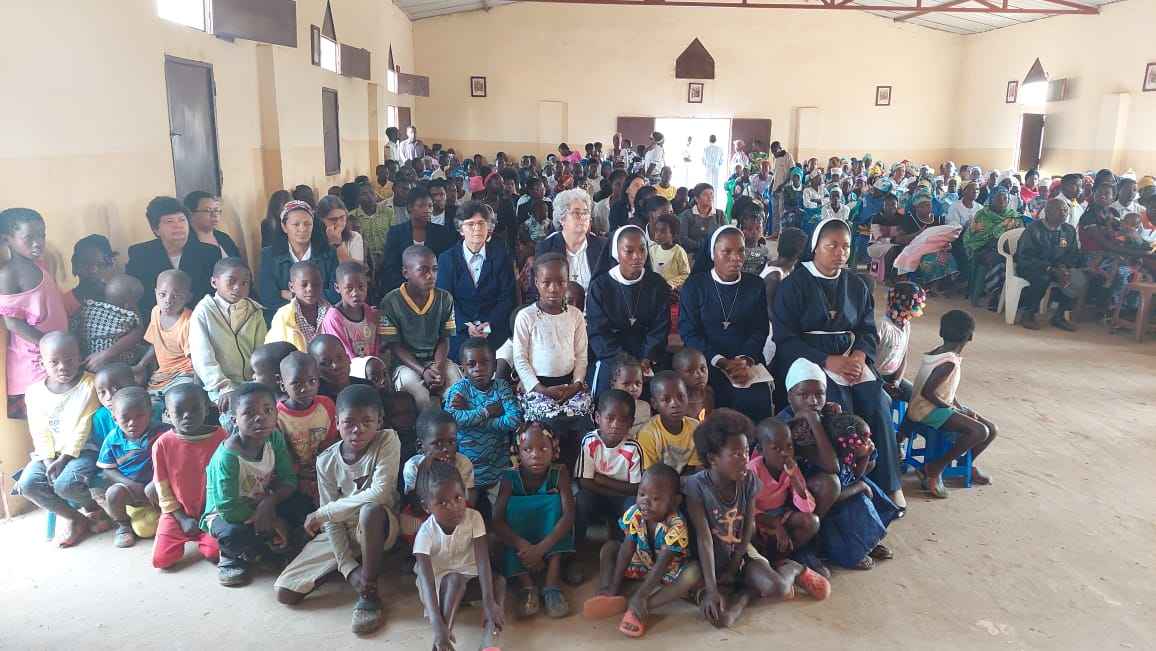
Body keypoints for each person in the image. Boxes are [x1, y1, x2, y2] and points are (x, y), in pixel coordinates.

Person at [772, 218, 903, 507]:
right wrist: (826, 361)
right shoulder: (793, 285)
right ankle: (848, 483)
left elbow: (867, 330)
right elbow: (784, 338)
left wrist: (859, 356)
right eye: (831, 246)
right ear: (815, 247)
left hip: (849, 355)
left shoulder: (856, 284)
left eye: (845, 246)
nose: (840, 253)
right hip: (807, 357)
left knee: (877, 400)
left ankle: (889, 483)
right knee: (838, 405)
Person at [275, 384, 401, 635]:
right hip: (342, 529)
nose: (357, 429)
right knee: (285, 592)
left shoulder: (387, 440)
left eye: (367, 421)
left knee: (370, 511)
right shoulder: (326, 461)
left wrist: (322, 513)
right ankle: (356, 569)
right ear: (337, 422)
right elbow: (332, 523)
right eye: (349, 422)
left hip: (380, 526)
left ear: (379, 421)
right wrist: (347, 568)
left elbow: (379, 493)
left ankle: (369, 593)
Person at [683, 409, 823, 629]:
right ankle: (747, 592)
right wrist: (711, 589)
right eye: (736, 454)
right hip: (708, 558)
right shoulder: (696, 486)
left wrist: (734, 566)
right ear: (712, 459)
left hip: (741, 552)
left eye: (747, 452)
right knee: (721, 619)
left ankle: (792, 568)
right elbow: (704, 539)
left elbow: (748, 526)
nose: (745, 460)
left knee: (779, 589)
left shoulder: (748, 480)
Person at [582, 463, 700, 638]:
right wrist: (615, 584)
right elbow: (627, 548)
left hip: (668, 571)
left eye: (656, 498)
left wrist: (641, 595)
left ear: (675, 501)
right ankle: (608, 592)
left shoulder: (676, 524)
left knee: (693, 572)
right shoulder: (636, 513)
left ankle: (641, 606)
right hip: (641, 563)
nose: (645, 501)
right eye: (642, 494)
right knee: (609, 548)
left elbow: (663, 564)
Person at [202, 382, 298, 586]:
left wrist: (269, 502)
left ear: (276, 414)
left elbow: (289, 479)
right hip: (226, 514)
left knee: (302, 506)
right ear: (234, 420)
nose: (260, 418)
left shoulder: (274, 438)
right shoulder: (228, 457)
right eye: (249, 413)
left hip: (260, 501)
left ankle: (261, 549)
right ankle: (231, 556)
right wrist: (271, 520)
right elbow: (228, 509)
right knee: (233, 534)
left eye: (267, 410)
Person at [14, 332, 103, 547]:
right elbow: (38, 429)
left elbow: (84, 425)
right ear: (42, 363)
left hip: (83, 451)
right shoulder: (34, 392)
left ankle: (94, 508)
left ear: (79, 358)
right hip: (48, 454)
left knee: (65, 484)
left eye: (69, 360)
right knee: (27, 484)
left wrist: (64, 459)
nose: (63, 367)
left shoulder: (90, 385)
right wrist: (47, 460)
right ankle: (77, 519)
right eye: (54, 362)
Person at [680, 226, 773, 423]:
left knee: (757, 397)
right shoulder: (694, 286)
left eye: (741, 251)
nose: (736, 258)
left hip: (746, 361)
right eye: (727, 251)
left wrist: (744, 360)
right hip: (706, 362)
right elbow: (689, 333)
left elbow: (760, 329)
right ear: (713, 254)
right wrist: (721, 361)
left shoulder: (755, 285)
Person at [412, 459, 505, 651]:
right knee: (455, 579)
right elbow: (427, 584)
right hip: (439, 591)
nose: (453, 507)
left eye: (458, 498)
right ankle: (443, 640)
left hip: (467, 583)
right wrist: (436, 623)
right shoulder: (425, 534)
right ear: (426, 507)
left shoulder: (474, 518)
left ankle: (491, 635)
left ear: (465, 493)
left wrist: (489, 602)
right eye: (442, 503)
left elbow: (483, 562)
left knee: (499, 583)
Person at [908, 309, 999, 498]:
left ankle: (967, 463)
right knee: (980, 431)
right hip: (926, 410)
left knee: (991, 429)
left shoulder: (941, 353)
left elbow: (945, 390)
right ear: (970, 337)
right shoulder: (948, 362)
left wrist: (960, 408)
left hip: (933, 405)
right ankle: (934, 469)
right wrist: (951, 409)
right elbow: (928, 392)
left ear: (941, 332)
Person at [492, 422, 577, 619]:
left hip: (548, 540)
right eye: (527, 449)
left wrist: (541, 549)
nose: (535, 455)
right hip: (522, 544)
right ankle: (527, 586)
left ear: (554, 450)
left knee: (555, 505)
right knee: (512, 510)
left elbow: (569, 515)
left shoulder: (559, 472)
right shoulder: (509, 477)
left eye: (543, 448)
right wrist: (522, 545)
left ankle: (551, 585)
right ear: (517, 452)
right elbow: (497, 520)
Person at [513, 254, 592, 457]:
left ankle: (578, 466)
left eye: (560, 282)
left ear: (567, 281)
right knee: (547, 422)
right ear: (536, 283)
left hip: (570, 386)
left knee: (583, 420)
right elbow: (520, 359)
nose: (553, 288)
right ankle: (549, 467)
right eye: (546, 282)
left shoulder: (575, 316)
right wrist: (540, 388)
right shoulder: (526, 316)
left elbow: (581, 355)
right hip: (538, 387)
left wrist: (576, 384)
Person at [586, 225, 671, 396]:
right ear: (616, 253)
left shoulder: (657, 284)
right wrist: (625, 363)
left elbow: (660, 327)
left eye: (642, 249)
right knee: (606, 397)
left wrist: (646, 358)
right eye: (629, 251)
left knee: (663, 392)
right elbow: (598, 332)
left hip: (648, 353)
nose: (637, 256)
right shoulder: (600, 286)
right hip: (612, 355)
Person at [151, 383, 227, 570]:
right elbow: (162, 487)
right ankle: (187, 531)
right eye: (179, 411)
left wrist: (213, 513)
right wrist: (181, 518)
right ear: (167, 414)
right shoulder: (162, 444)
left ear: (207, 409)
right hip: (177, 512)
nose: (187, 416)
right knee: (162, 560)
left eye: (195, 409)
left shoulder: (222, 438)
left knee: (215, 554)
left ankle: (202, 536)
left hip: (213, 511)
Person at [443, 338, 522, 518]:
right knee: (465, 516)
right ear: (463, 369)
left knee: (502, 516)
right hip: (466, 473)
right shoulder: (459, 390)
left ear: (494, 366)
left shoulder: (501, 388)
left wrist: (472, 415)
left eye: (485, 363)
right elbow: (452, 419)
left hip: (498, 469)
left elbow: (513, 420)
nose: (478, 368)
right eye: (471, 364)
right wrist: (487, 411)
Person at [378, 245, 461, 408]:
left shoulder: (445, 298)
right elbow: (394, 346)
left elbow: (444, 339)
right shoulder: (390, 302)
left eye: (435, 269)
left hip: (436, 361)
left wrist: (438, 368)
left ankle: (457, 425)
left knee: (457, 392)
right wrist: (422, 371)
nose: (431, 275)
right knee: (420, 398)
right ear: (406, 273)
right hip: (405, 365)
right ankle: (425, 425)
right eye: (423, 270)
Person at [816, 413, 899, 569]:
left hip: (848, 491)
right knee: (859, 504)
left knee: (875, 495)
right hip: (834, 509)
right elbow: (834, 496)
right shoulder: (830, 465)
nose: (869, 442)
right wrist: (860, 486)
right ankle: (853, 553)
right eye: (864, 439)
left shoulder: (848, 454)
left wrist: (866, 456)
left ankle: (869, 543)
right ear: (849, 444)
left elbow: (856, 475)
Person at [190, 258, 267, 423]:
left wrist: (260, 378)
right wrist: (223, 387)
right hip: (219, 386)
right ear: (214, 282)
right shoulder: (203, 312)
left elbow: (261, 350)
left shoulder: (255, 311)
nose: (238, 287)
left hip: (252, 382)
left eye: (245, 283)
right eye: (231, 281)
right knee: (236, 419)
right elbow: (202, 357)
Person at [437, 201, 517, 360]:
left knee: (500, 361)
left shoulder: (501, 256)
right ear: (460, 229)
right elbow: (445, 300)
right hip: (459, 331)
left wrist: (488, 325)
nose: (477, 229)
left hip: (494, 329)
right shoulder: (447, 259)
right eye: (470, 224)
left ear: (489, 228)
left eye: (481, 223)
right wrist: (467, 325)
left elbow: (507, 298)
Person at [125, 196, 221, 323]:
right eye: (169, 221)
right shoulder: (140, 254)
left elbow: (214, 294)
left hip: (199, 319)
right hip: (157, 321)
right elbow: (138, 297)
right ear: (156, 229)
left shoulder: (209, 253)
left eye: (182, 220)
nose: (178, 226)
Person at [748, 418, 824, 576]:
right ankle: (763, 562)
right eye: (776, 448)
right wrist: (776, 525)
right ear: (761, 450)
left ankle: (781, 558)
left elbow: (807, 508)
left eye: (789, 446)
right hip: (757, 519)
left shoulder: (791, 467)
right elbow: (747, 508)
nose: (785, 453)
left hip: (781, 514)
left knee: (812, 522)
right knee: (750, 529)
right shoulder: (752, 470)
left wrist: (794, 477)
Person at [574, 390, 642, 549]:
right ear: (598, 418)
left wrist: (602, 480)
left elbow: (636, 488)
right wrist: (616, 489)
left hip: (621, 500)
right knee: (582, 499)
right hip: (598, 496)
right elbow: (584, 482)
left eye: (623, 420)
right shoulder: (590, 441)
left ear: (631, 422)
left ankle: (626, 549)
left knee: (633, 505)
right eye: (610, 418)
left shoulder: (633, 448)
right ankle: (576, 547)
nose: (615, 425)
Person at [258, 200, 340, 323]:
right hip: (285, 321)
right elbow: (268, 297)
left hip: (323, 319)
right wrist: (311, 298)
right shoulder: (269, 255)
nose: (302, 229)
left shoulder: (328, 253)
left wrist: (291, 295)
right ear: (284, 227)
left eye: (308, 224)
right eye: (296, 224)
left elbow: (335, 293)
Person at [275, 352, 339, 509]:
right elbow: (281, 453)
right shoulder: (277, 416)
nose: (306, 389)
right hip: (293, 474)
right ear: (282, 384)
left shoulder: (326, 405)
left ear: (318, 380)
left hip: (324, 468)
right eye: (296, 384)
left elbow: (331, 442)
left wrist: (320, 467)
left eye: (312, 381)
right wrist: (299, 472)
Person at [96, 386, 159, 548]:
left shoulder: (162, 432)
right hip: (130, 490)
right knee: (113, 493)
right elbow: (107, 468)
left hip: (158, 486)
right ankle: (123, 526)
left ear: (150, 413)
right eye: (125, 418)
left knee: (153, 489)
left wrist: (157, 481)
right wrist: (130, 484)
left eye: (140, 416)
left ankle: (169, 516)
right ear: (115, 418)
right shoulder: (112, 439)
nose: (133, 423)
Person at [1014, 198, 1086, 331]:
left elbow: (1073, 254)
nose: (1064, 213)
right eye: (1060, 210)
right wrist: (1050, 268)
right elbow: (1025, 256)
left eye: (1066, 210)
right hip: (1032, 267)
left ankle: (1059, 316)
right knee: (1042, 278)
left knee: (1077, 278)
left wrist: (1064, 268)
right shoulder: (1034, 229)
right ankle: (1028, 314)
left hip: (1058, 267)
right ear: (1048, 211)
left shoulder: (1068, 230)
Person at [376, 186, 458, 296]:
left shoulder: (442, 233)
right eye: (421, 206)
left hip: (435, 288)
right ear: (410, 207)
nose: (427, 210)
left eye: (430, 206)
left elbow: (445, 266)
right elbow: (391, 266)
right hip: (403, 289)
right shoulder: (396, 233)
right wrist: (409, 288)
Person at [964, 188, 1026, 309]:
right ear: (991, 200)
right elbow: (975, 235)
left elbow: (1020, 236)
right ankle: (995, 294)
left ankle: (1016, 297)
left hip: (1008, 250)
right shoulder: (982, 214)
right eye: (998, 199)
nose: (1002, 201)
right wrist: (998, 237)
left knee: (1021, 261)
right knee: (997, 260)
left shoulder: (1014, 216)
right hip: (983, 247)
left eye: (1005, 198)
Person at [136, 269, 195, 396]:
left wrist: (200, 387)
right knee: (149, 403)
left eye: (176, 296)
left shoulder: (189, 322)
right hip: (163, 375)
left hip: (185, 373)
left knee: (178, 398)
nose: (168, 300)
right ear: (155, 293)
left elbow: (196, 359)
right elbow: (155, 343)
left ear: (188, 298)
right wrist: (140, 365)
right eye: (162, 294)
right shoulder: (155, 312)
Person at [535, 188, 605, 291]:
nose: (582, 217)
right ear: (562, 219)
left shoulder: (602, 246)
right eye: (576, 213)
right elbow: (542, 289)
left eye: (585, 212)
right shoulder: (546, 248)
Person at [71, 273, 145, 370]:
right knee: (142, 350)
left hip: (87, 358)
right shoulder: (127, 317)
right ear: (128, 305)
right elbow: (139, 329)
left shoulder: (88, 307)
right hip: (113, 363)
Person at [636, 371, 700, 475]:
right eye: (666, 399)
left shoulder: (695, 427)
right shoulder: (648, 434)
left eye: (680, 397)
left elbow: (694, 469)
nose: (675, 404)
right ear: (654, 404)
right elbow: (649, 475)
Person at [877, 282, 927, 402]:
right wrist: (883, 384)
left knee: (916, 397)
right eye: (916, 306)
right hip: (874, 377)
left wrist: (897, 382)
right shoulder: (882, 326)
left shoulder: (906, 326)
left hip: (893, 377)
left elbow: (903, 359)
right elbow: (866, 363)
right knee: (886, 401)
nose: (918, 310)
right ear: (904, 305)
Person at [265, 261, 331, 352]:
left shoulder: (331, 312)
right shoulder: (283, 316)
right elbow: (276, 350)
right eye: (304, 285)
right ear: (291, 287)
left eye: (316, 284)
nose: (310, 289)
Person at [320, 261, 378, 359]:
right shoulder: (333, 318)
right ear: (337, 288)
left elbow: (376, 348)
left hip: (372, 364)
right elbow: (343, 354)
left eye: (361, 287)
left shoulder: (370, 313)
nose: (356, 293)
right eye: (349, 288)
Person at [62, 234, 116, 315]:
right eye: (85, 264)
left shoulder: (119, 301)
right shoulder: (64, 304)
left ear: (111, 265)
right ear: (75, 265)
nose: (93, 270)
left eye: (100, 264)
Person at [348, 182, 394, 273]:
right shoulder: (352, 216)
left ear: (376, 196)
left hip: (387, 258)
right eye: (364, 194)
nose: (369, 196)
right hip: (364, 261)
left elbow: (393, 237)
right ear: (358, 198)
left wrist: (387, 255)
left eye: (372, 193)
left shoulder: (388, 212)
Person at [185, 191, 242, 261]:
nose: (215, 215)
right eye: (208, 210)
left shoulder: (224, 238)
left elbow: (238, 263)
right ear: (191, 214)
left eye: (216, 210)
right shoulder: (185, 243)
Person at [678, 183, 724, 257]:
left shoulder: (720, 214)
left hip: (715, 254)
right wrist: (703, 246)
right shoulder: (687, 215)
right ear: (696, 198)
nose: (710, 197)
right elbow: (683, 238)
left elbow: (726, 234)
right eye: (705, 195)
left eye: (711, 194)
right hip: (693, 254)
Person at [609, 353, 651, 435]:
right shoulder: (608, 408)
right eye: (626, 384)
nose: (633, 388)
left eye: (638, 383)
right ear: (613, 384)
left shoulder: (645, 407)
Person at [317, 195, 365, 265]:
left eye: (342, 217)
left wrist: (338, 245)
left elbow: (356, 268)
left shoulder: (354, 237)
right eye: (333, 219)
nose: (339, 223)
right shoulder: (313, 238)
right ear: (321, 220)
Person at [648, 213, 691, 291]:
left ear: (673, 234)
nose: (658, 234)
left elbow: (685, 274)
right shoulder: (652, 250)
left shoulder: (678, 251)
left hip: (672, 290)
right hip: (656, 289)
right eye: (656, 230)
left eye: (663, 232)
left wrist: (670, 284)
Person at [672, 346, 713, 421]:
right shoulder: (675, 402)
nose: (700, 375)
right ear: (678, 374)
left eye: (703, 369)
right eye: (690, 371)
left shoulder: (709, 393)